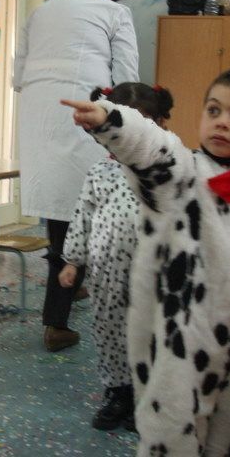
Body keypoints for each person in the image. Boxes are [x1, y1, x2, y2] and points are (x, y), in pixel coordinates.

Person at [63, 68, 230, 456]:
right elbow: (152, 146)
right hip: (182, 341)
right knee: (172, 434)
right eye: (214, 111)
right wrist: (109, 120)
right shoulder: (184, 174)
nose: (222, 122)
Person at [14, 0, 140, 352]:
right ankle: (56, 322)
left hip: (38, 114)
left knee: (58, 207)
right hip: (84, 110)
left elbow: (17, 77)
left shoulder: (41, 11)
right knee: (83, 211)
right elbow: (127, 81)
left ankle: (72, 287)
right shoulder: (115, 11)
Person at [59, 82, 174, 432]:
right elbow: (83, 216)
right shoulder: (100, 172)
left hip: (154, 278)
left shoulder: (165, 170)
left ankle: (148, 399)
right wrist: (72, 261)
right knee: (109, 332)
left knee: (152, 334)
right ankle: (119, 392)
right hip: (106, 277)